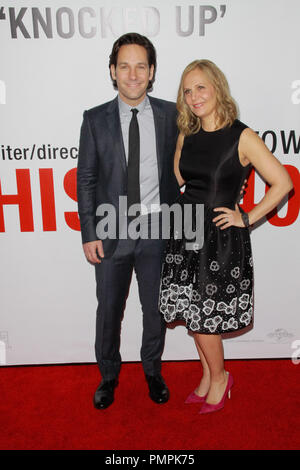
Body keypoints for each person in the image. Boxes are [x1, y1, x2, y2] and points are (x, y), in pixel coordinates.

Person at [158, 59, 293, 414]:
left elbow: (283, 183)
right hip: (185, 231)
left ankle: (221, 378)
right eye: (187, 91)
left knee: (205, 318)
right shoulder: (188, 132)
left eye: (200, 87)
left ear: (218, 87)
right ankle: (206, 375)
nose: (194, 96)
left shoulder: (242, 136)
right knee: (192, 313)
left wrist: (246, 216)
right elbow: (180, 175)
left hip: (218, 240)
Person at [77, 33, 180, 409]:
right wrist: (89, 232)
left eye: (141, 66)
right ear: (112, 71)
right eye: (124, 66)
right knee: (109, 311)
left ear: (152, 72)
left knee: (154, 310)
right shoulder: (94, 119)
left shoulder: (172, 115)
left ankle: (152, 370)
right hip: (109, 231)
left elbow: (190, 166)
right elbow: (85, 180)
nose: (133, 74)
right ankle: (108, 375)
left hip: (157, 230)